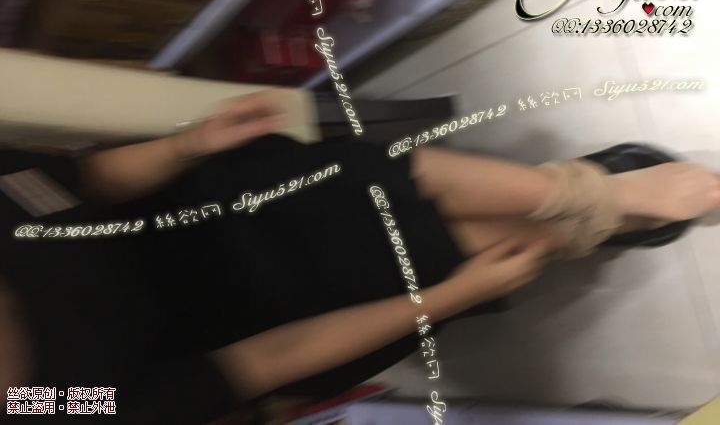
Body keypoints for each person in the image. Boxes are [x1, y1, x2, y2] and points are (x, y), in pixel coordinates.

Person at [1, 91, 719, 424]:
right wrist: (452, 297)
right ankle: (586, 204)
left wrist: (188, 145)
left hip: (197, 209)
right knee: (415, 249)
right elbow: (263, 362)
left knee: (346, 182)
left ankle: (587, 203)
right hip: (266, 318)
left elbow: (85, 179)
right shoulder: (45, 406)